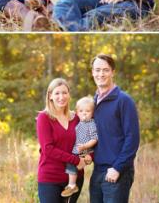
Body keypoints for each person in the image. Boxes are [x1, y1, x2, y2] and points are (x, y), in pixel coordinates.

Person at [89, 54, 140, 202]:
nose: (101, 74)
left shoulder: (124, 100)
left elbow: (133, 139)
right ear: (92, 72)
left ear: (112, 72)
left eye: (105, 70)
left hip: (117, 171)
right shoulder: (93, 102)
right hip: (97, 170)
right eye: (97, 70)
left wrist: (117, 168)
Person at [36, 78, 90, 203]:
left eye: (64, 93)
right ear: (50, 96)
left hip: (75, 178)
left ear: (69, 95)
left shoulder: (76, 118)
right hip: (50, 179)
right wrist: (76, 160)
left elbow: (86, 140)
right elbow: (48, 149)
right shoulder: (44, 118)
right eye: (57, 93)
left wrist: (88, 156)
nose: (61, 97)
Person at [61, 96, 98, 198]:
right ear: (77, 112)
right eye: (81, 111)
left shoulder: (91, 124)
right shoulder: (79, 122)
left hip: (86, 148)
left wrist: (85, 147)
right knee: (72, 164)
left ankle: (72, 184)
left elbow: (95, 139)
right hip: (78, 149)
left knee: (73, 163)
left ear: (93, 113)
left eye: (87, 111)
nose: (84, 113)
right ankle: (72, 184)